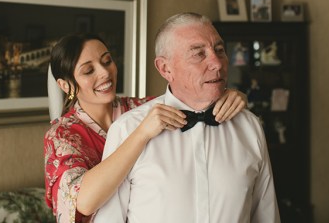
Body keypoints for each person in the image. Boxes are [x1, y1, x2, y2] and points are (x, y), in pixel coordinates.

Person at [94, 13, 281, 223]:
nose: (217, 64)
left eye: (219, 50)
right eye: (198, 54)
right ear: (165, 68)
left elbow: (266, 214)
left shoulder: (249, 126)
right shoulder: (127, 130)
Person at [44, 33, 247, 223]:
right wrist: (141, 134)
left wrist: (228, 95)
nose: (105, 72)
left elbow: (192, 102)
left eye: (107, 61)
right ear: (65, 85)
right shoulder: (62, 135)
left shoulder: (144, 109)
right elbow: (84, 202)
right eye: (89, 70)